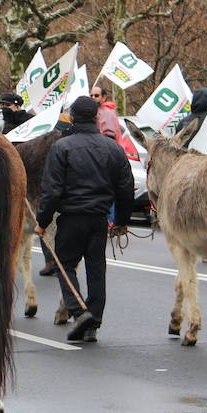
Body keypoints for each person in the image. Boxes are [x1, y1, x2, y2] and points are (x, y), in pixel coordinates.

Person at [35, 95, 134, 343]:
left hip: (71, 218)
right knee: (96, 269)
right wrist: (122, 220)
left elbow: (52, 191)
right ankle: (93, 323)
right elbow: (126, 187)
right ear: (96, 118)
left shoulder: (61, 147)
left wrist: (42, 221)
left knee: (64, 265)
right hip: (99, 219)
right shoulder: (113, 148)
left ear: (73, 118)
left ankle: (79, 312)